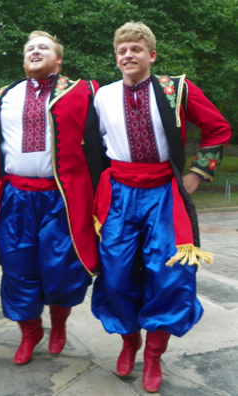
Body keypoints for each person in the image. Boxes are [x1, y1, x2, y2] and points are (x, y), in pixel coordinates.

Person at [91, 22, 232, 393]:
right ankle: (128, 341)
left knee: (169, 273)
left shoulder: (176, 90)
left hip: (164, 194)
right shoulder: (101, 96)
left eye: (135, 49)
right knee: (117, 273)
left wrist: (198, 174)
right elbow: (89, 146)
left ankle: (154, 353)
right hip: (119, 192)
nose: (128, 55)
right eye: (122, 50)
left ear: (151, 55)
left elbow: (218, 129)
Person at [0, 31, 105, 365]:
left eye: (43, 47)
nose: (35, 51)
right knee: (18, 268)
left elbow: (104, 141)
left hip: (61, 197)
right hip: (16, 197)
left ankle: (59, 323)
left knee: (62, 267)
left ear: (58, 59)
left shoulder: (84, 91)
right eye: (30, 48)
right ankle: (29, 331)